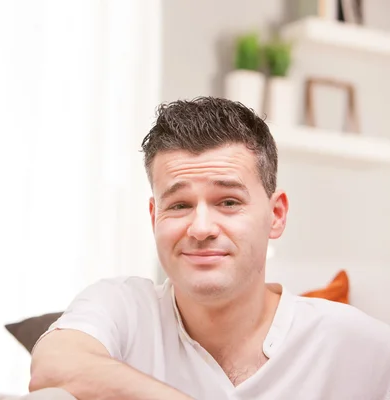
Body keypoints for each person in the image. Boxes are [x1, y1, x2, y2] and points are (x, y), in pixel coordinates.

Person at [28, 97, 390, 400]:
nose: (200, 228)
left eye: (229, 202)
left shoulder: (356, 343)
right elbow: (54, 367)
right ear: (155, 216)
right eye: (180, 205)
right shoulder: (123, 307)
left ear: (276, 215)